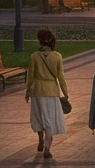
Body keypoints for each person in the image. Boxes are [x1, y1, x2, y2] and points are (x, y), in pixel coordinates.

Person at [26, 28, 68, 158]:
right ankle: (47, 148)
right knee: (50, 120)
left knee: (38, 117)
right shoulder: (57, 56)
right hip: (51, 91)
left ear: (40, 41)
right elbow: (61, 77)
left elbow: (30, 76)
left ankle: (40, 140)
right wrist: (65, 92)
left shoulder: (34, 56)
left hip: (37, 91)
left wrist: (27, 91)